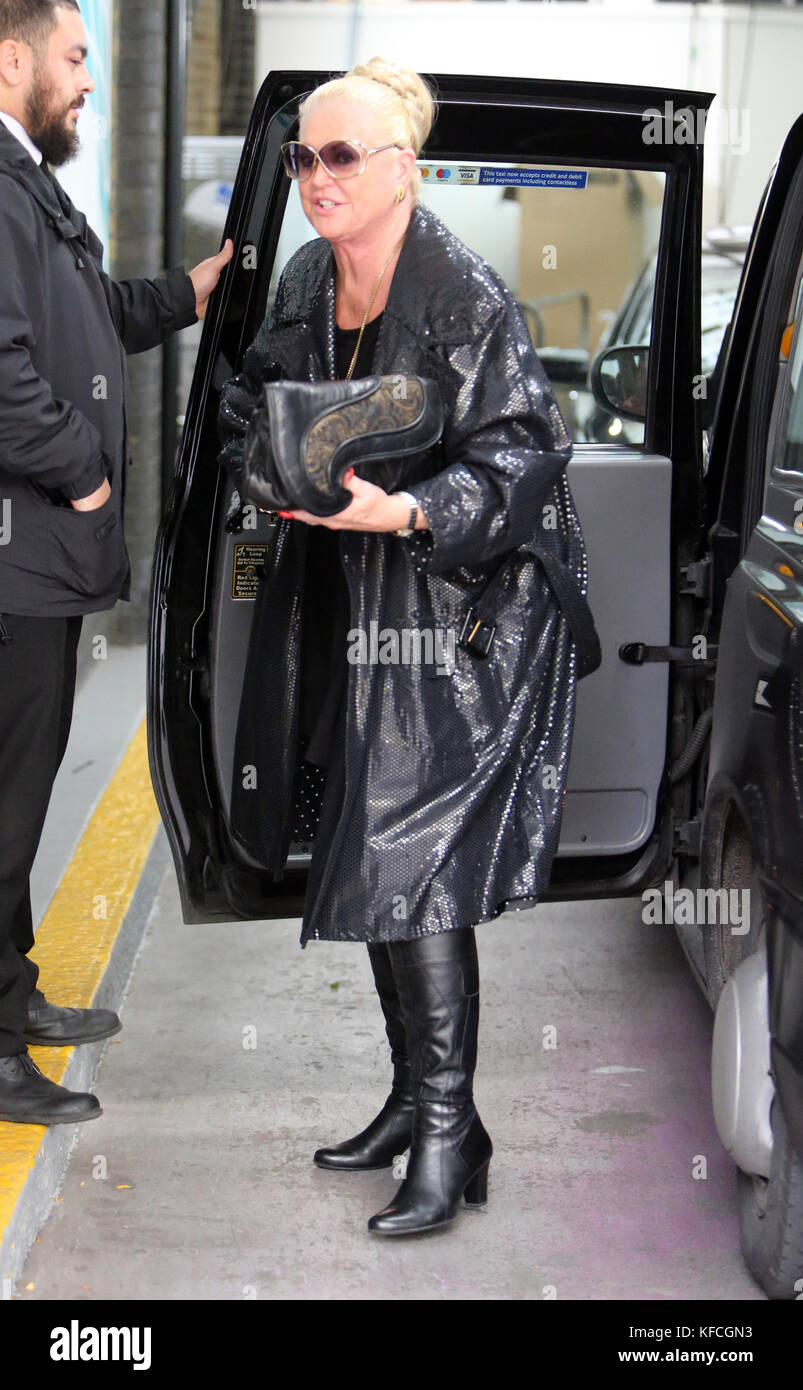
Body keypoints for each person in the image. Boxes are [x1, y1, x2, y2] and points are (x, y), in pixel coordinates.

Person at [218, 57, 590, 1235]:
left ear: (401, 170)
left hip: (460, 618)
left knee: (415, 866)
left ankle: (447, 1134)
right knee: (368, 844)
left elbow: (525, 454)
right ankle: (417, 1104)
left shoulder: (465, 296)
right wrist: (264, 467)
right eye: (301, 159)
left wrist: (416, 511)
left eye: (338, 156)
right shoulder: (300, 280)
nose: (314, 178)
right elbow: (258, 402)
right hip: (349, 601)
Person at [0, 0, 233, 1125]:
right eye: (75, 56)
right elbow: (0, 373)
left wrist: (191, 291)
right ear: (12, 59)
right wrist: (85, 474)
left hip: (36, 562)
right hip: (17, 559)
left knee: (22, 792)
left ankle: (13, 993)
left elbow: (84, 313)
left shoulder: (25, 186)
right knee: (4, 806)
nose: (87, 79)